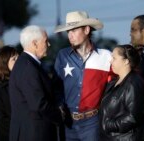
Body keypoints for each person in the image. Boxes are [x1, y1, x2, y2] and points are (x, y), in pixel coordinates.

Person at [54, 11, 113, 141]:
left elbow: (117, 88)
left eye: (74, 30)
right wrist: (59, 105)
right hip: (68, 123)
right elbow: (56, 87)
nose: (70, 35)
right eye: (68, 31)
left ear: (86, 30)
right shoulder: (62, 56)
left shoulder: (106, 56)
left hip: (93, 124)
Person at [9, 25, 61, 141]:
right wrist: (59, 115)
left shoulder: (26, 63)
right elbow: (39, 104)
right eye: (46, 41)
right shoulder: (29, 67)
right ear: (35, 43)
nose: (49, 45)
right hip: (34, 133)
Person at [99, 44, 144, 141]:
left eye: (114, 58)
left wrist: (108, 125)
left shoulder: (133, 83)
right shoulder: (114, 81)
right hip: (112, 137)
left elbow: (133, 117)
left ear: (126, 61)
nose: (111, 60)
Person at [0, 46, 19, 141]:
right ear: (4, 63)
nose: (18, 62)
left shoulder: (22, 80)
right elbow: (0, 119)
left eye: (19, 58)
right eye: (14, 59)